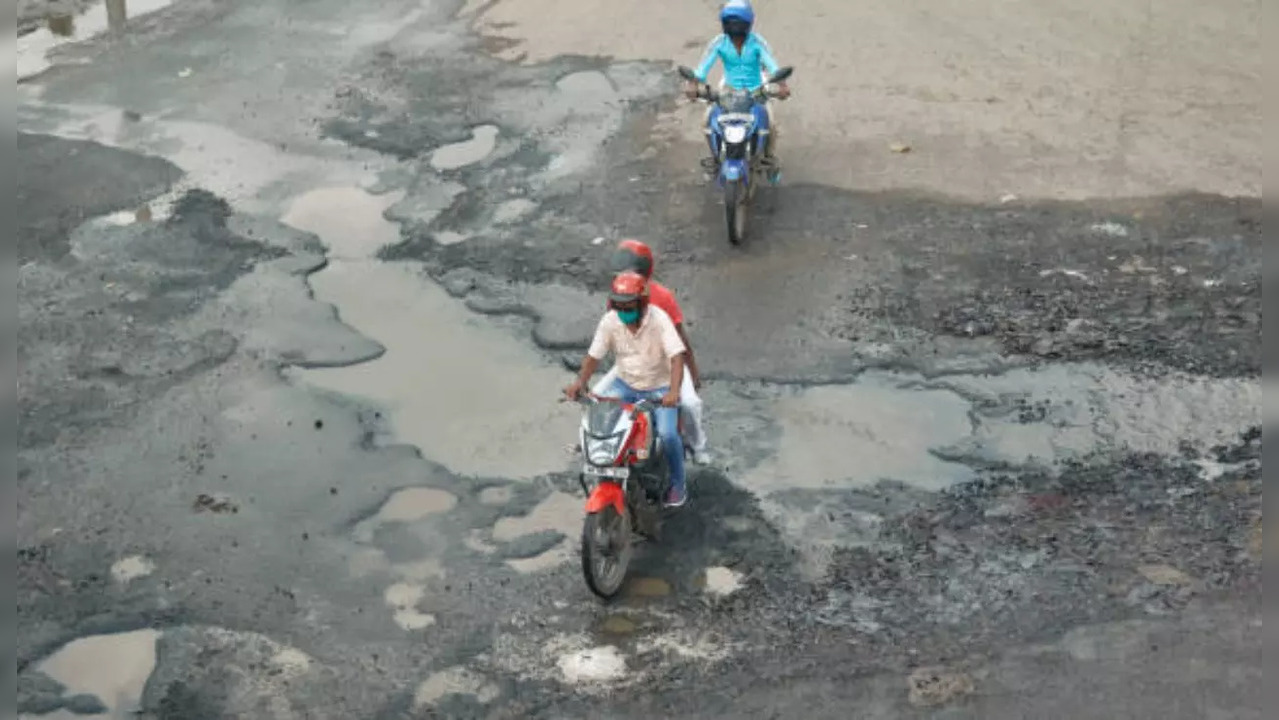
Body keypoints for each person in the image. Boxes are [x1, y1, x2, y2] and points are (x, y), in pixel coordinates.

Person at [564, 271, 690, 508]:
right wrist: (580, 383)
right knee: (599, 419)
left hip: (659, 387)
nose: (624, 311)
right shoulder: (610, 321)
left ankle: (678, 485)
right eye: (619, 306)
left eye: (629, 306)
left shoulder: (659, 319)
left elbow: (677, 357)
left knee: (668, 434)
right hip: (625, 383)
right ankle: (607, 474)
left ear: (642, 303)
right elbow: (594, 356)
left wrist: (673, 391)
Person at [593, 239, 712, 465]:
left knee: (689, 404)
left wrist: (692, 372)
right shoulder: (617, 296)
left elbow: (680, 338)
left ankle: (697, 446)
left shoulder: (663, 297)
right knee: (596, 397)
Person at [684, 0, 791, 182]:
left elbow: (772, 66)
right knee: (707, 121)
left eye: (738, 24)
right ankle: (717, 159)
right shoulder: (719, 43)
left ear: (747, 25)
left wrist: (781, 85)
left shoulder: (757, 43)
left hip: (757, 90)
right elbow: (703, 67)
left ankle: (768, 158)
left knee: (770, 124)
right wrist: (693, 84)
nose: (735, 29)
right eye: (731, 23)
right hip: (728, 89)